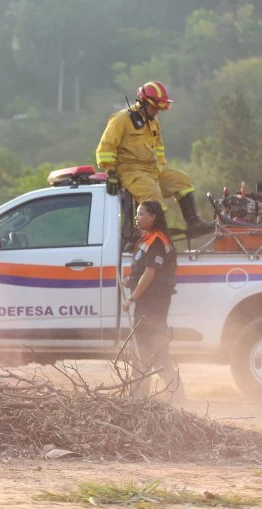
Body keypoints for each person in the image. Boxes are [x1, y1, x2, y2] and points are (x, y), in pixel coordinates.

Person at [96, 80, 214, 236]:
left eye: (159, 108)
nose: (156, 111)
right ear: (142, 103)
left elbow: (159, 150)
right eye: (154, 107)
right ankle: (160, 233)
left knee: (182, 180)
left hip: (152, 171)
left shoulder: (153, 123)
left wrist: (159, 169)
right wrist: (111, 172)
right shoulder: (121, 119)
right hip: (130, 172)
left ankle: (194, 223)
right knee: (152, 194)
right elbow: (106, 147)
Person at [122, 200, 185, 402]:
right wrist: (131, 280)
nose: (137, 218)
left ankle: (174, 394)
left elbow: (149, 275)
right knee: (143, 348)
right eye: (137, 214)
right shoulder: (147, 239)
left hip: (153, 304)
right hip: (147, 303)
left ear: (153, 216)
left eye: (141, 214)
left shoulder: (157, 241)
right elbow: (142, 271)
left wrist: (131, 298)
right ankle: (139, 395)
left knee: (153, 350)